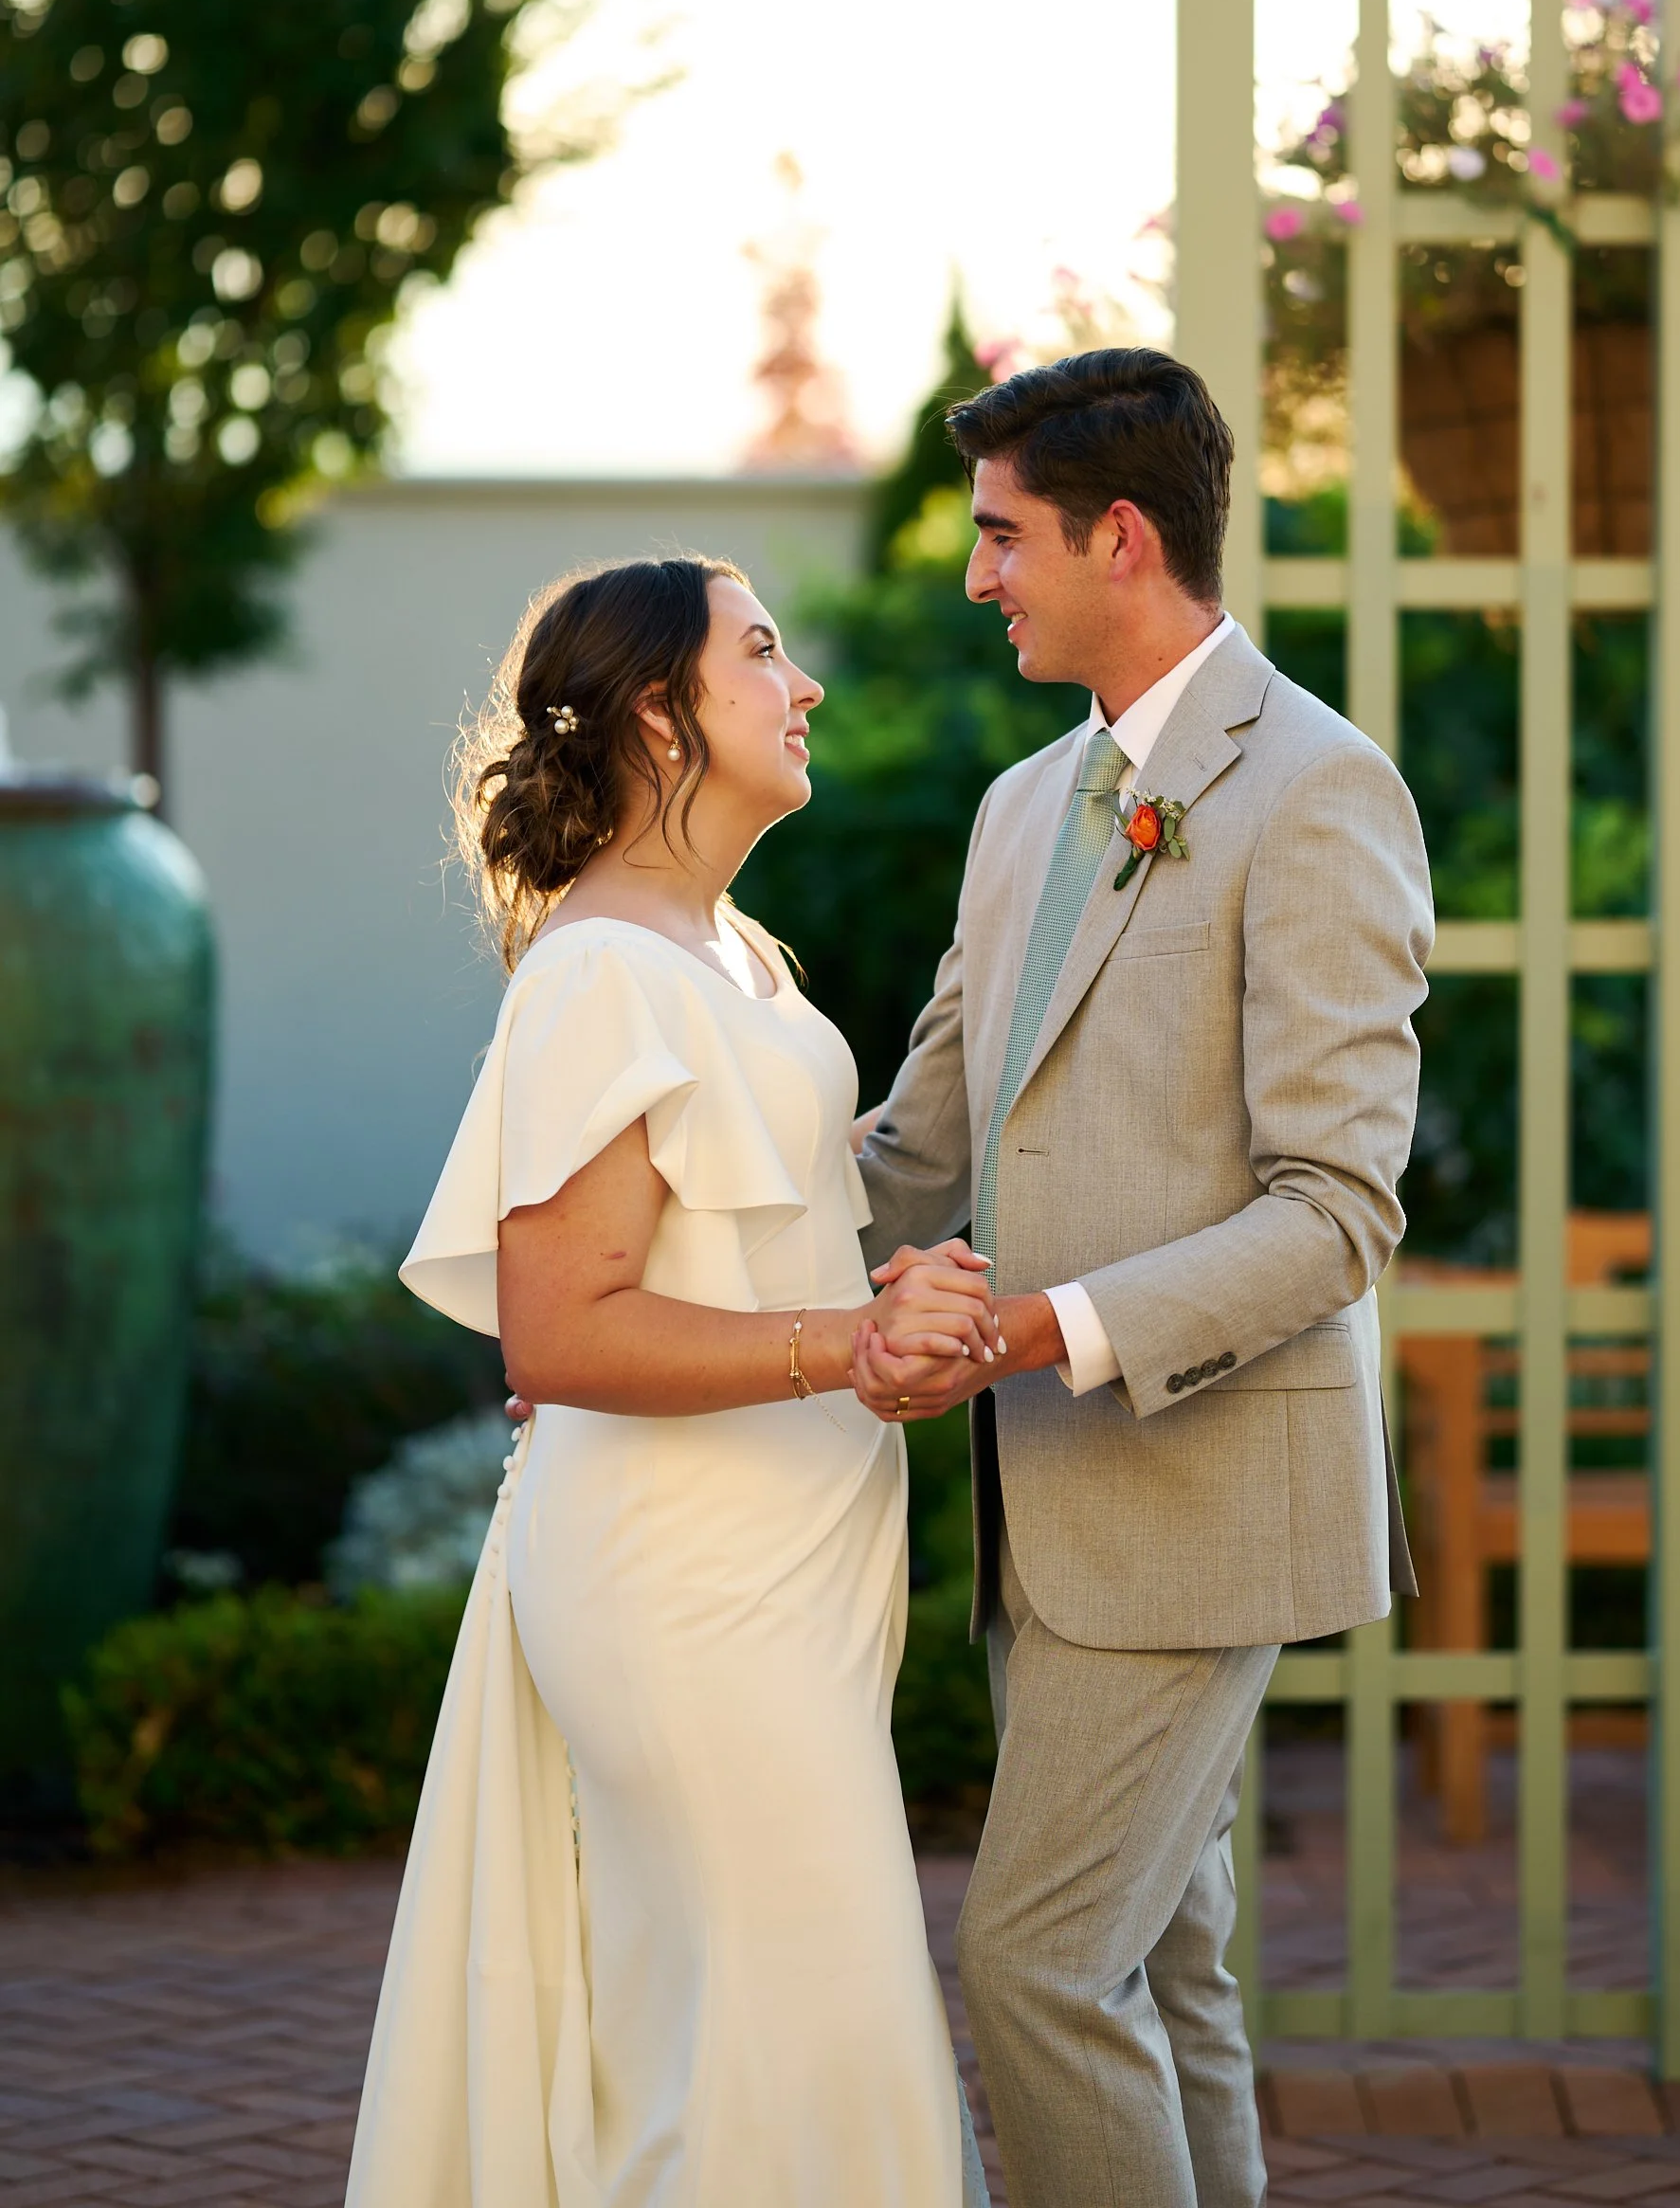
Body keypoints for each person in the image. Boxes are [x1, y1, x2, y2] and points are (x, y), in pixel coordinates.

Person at [850, 347, 1432, 2208]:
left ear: (1119, 536)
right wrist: (670, 1287)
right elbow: (924, 1137)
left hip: (1199, 1494)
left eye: (1001, 536)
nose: (977, 577)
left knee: (1035, 1965)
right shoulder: (1024, 805)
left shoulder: (1321, 789)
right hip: (1043, 1508)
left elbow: (1334, 1209)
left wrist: (1042, 1331)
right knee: (1167, 1974)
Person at [345, 555, 992, 2208]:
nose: (805, 684)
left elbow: (755, 1216)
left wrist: (903, 1282)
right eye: (762, 652)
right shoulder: (599, 972)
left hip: (785, 1572)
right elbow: (559, 1335)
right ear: (657, 712)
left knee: (758, 2043)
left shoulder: (732, 950)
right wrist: (849, 1344)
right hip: (686, 1592)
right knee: (794, 2052)